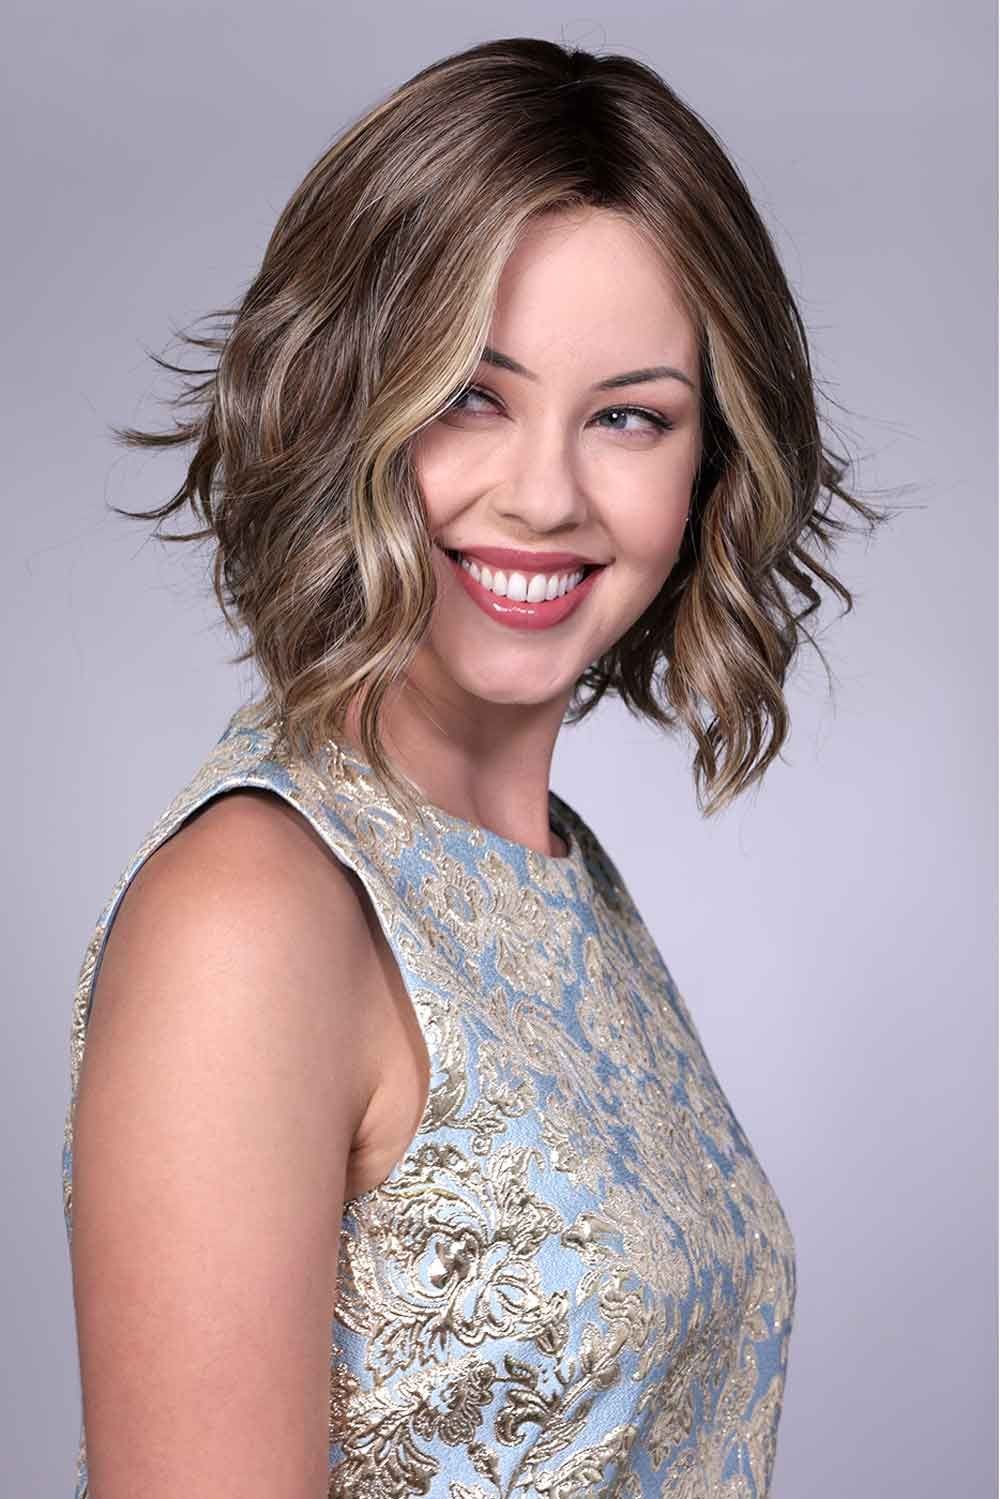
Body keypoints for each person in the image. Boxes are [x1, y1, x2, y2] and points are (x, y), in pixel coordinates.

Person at [61, 36, 890, 1499]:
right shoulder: (252, 916)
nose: (547, 496)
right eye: (469, 394)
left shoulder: (564, 877)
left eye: (629, 415)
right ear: (340, 400)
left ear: (709, 465)